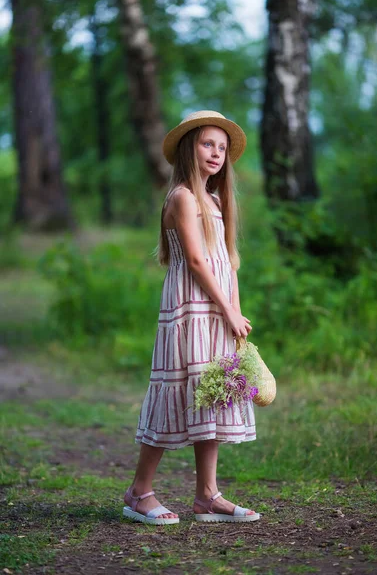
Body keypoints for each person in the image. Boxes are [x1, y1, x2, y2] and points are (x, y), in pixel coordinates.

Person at [123, 110, 259, 525]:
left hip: (217, 311)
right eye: (207, 144)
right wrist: (225, 309)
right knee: (177, 391)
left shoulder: (217, 201)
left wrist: (234, 311)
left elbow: (228, 262)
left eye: (222, 147)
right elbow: (198, 263)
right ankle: (139, 492)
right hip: (190, 308)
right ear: (189, 149)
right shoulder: (183, 197)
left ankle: (207, 495)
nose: (216, 153)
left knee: (211, 393)